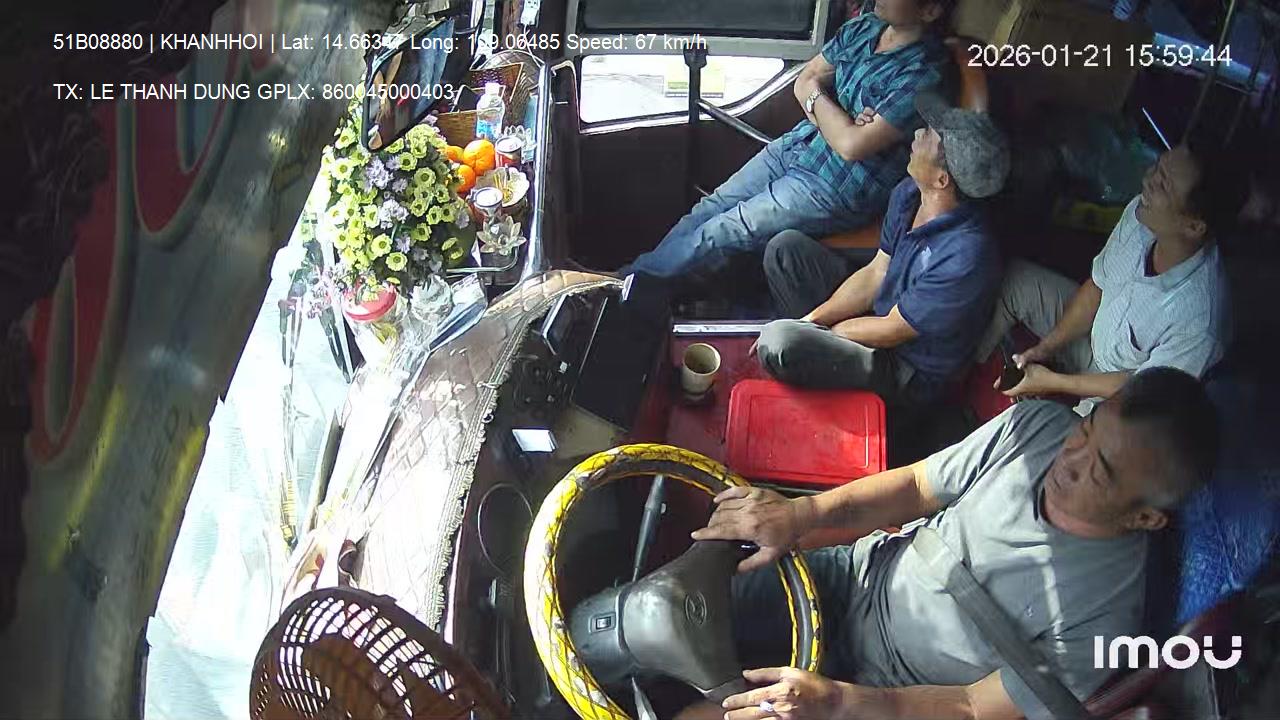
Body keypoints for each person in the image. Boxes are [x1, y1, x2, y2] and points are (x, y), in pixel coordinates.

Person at [681, 367, 1218, 720]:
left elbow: (970, 706)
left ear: (1145, 517)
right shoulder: (1037, 427)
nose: (1069, 459)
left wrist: (839, 700)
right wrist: (800, 514)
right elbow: (917, 486)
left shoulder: (1104, 619)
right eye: (1087, 429)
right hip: (854, 579)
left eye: (1099, 472)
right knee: (677, 611)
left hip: (889, 691)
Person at [619, 0, 954, 284]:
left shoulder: (925, 72)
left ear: (930, 10)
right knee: (709, 208)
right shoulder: (864, 28)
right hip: (799, 145)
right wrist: (835, 115)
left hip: (837, 186)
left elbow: (851, 147)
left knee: (723, 229)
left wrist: (821, 101)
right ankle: (640, 283)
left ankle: (625, 285)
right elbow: (804, 80)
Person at [752, 92, 1008, 406]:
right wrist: (810, 321)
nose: (917, 133)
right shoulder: (909, 193)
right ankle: (815, 362)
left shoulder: (967, 255)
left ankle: (825, 374)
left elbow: (892, 329)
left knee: (778, 342)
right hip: (880, 315)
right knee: (785, 252)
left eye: (928, 136)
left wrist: (820, 337)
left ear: (942, 179)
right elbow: (877, 272)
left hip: (907, 370)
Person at [974, 143, 1248, 414]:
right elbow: (1097, 286)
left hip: (1121, 398)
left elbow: (1143, 389)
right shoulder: (1140, 213)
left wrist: (1054, 382)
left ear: (1194, 226)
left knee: (1066, 439)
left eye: (1163, 185)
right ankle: (965, 370)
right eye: (1157, 167)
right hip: (1093, 335)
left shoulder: (1201, 322)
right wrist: (1045, 349)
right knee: (1014, 280)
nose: (1147, 180)